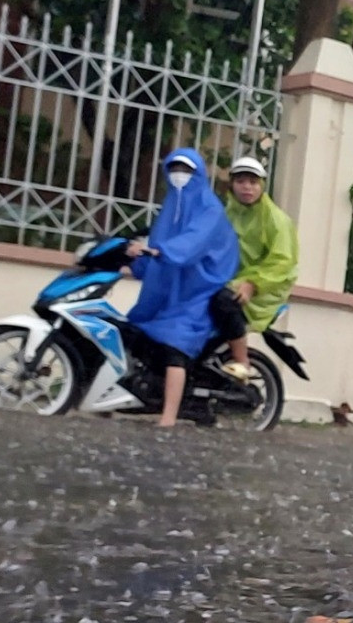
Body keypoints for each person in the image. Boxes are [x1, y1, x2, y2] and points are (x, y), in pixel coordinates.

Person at [125, 149, 240, 427]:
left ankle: (168, 417)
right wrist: (135, 263)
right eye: (174, 168)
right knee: (134, 331)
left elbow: (192, 244)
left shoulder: (210, 208)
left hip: (199, 288)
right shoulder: (171, 205)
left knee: (175, 343)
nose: (180, 174)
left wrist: (156, 251)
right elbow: (157, 241)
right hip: (171, 287)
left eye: (186, 170)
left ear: (198, 173)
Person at [212, 155, 299, 382]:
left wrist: (253, 284)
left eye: (253, 182)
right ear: (232, 184)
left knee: (224, 300)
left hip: (266, 287)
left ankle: (242, 361)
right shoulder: (228, 213)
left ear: (262, 185)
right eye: (241, 181)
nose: (247, 187)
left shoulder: (276, 219)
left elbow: (283, 261)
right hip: (234, 278)